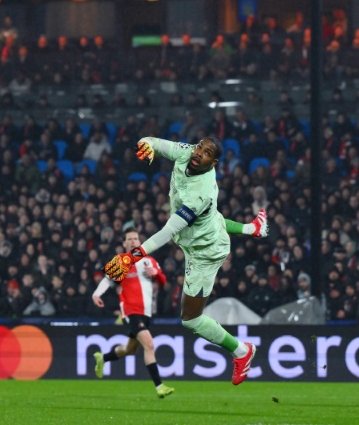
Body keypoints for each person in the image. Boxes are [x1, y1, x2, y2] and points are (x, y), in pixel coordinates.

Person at [104, 136, 268, 385]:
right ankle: (252, 229)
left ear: (213, 163)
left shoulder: (199, 195)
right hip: (201, 233)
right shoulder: (187, 152)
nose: (199, 152)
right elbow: (152, 142)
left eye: (207, 153)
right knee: (214, 220)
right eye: (200, 146)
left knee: (191, 319)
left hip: (205, 253)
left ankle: (242, 351)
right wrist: (146, 145)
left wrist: (131, 256)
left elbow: (167, 232)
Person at [92, 227, 174, 398]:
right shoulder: (121, 260)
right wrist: (96, 294)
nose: (132, 241)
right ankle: (159, 386)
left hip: (146, 312)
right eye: (129, 239)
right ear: (124, 243)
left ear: (140, 241)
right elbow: (108, 280)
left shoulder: (149, 260)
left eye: (135, 238)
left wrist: (156, 274)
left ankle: (103, 358)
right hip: (130, 310)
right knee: (149, 345)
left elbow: (163, 281)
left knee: (129, 350)